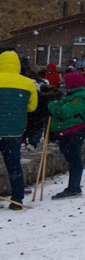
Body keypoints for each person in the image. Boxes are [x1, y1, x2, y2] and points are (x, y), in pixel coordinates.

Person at [47, 71, 85, 200]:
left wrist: (52, 105)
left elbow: (63, 112)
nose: (63, 85)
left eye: (65, 83)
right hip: (69, 132)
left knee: (74, 159)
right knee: (72, 159)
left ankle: (73, 188)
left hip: (73, 132)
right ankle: (74, 186)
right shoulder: (76, 96)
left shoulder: (80, 98)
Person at [1, 51, 38, 210]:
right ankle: (17, 199)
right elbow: (32, 107)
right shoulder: (28, 83)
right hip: (14, 132)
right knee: (14, 166)